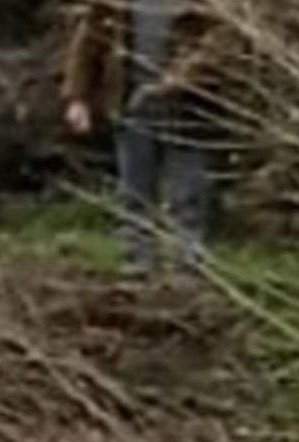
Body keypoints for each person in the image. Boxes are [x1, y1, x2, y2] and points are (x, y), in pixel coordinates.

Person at [61, 0, 232, 277]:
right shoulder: (112, 5)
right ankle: (137, 263)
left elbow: (217, 49)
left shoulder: (207, 6)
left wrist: (172, 83)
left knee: (188, 195)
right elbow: (87, 44)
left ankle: (187, 266)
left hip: (190, 111)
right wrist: (77, 98)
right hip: (130, 109)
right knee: (134, 192)